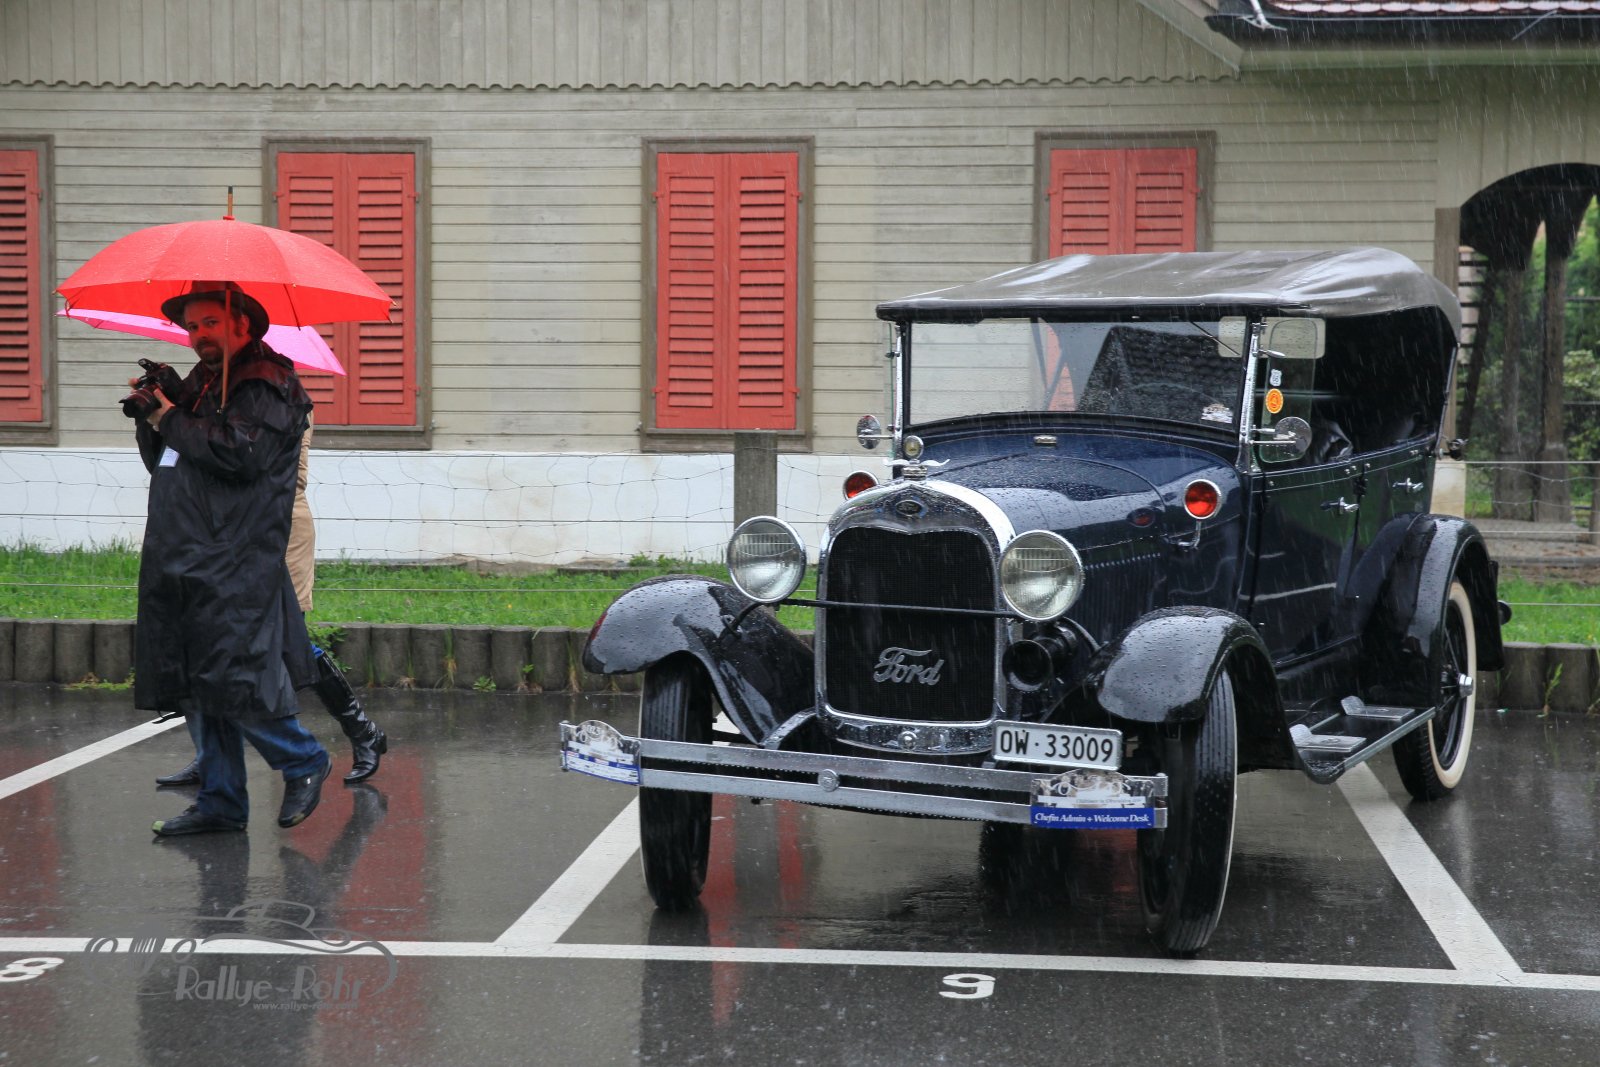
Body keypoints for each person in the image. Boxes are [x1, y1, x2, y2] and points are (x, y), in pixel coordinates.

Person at [134, 282, 331, 835]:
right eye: (192, 327)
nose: (199, 335)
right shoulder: (203, 382)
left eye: (210, 324)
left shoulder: (267, 383)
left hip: (234, 552)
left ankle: (303, 758)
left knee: (231, 672)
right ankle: (221, 801)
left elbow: (237, 453)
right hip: (187, 545)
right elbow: (171, 458)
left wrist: (169, 417)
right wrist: (154, 408)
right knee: (197, 676)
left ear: (242, 323)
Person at [155, 413, 389, 788]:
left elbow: (250, 461)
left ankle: (362, 732)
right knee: (214, 641)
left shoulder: (280, 400)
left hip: (279, 525)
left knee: (286, 641)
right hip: (234, 527)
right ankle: (211, 758)